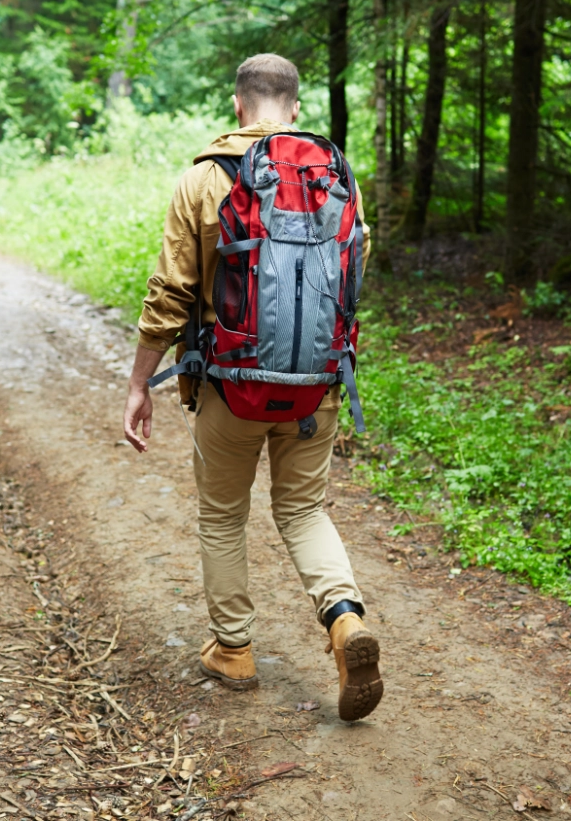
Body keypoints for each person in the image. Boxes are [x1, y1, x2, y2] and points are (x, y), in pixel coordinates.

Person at [121, 53, 383, 722]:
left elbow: (170, 291)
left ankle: (234, 650)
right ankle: (345, 618)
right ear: (294, 107)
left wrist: (140, 382)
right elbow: (354, 274)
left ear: (238, 105)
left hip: (229, 387)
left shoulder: (204, 178)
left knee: (222, 514)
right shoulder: (336, 178)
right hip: (315, 387)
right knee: (303, 509)